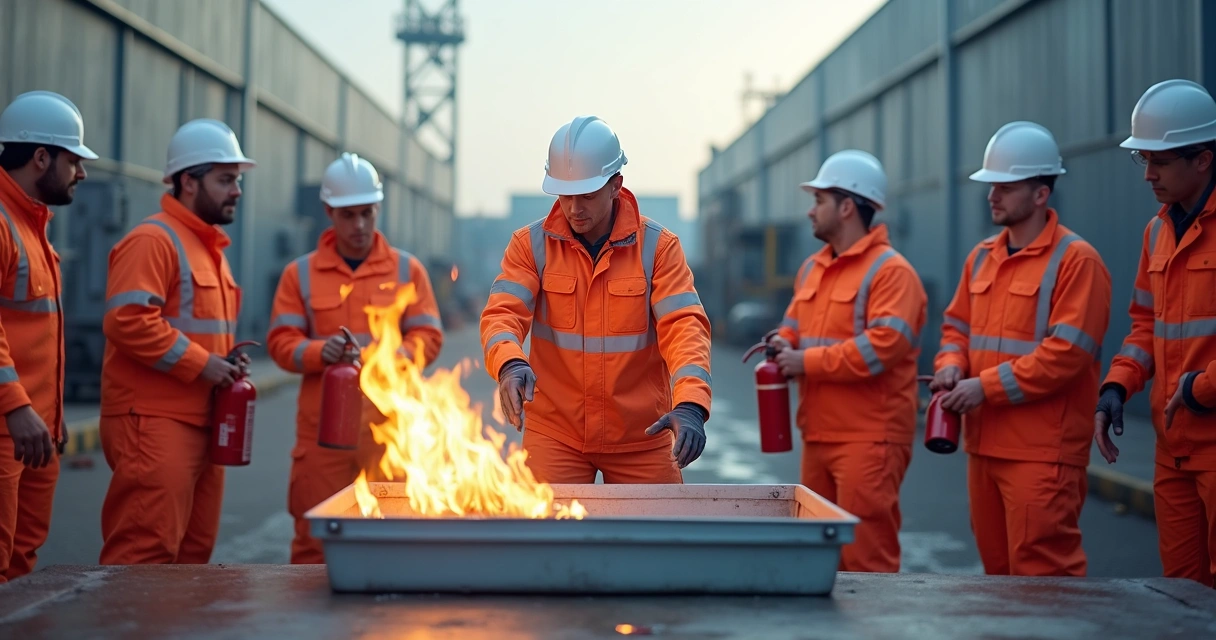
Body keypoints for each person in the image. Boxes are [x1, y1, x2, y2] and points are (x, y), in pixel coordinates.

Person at [480, 115, 712, 483]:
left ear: (616, 184)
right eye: (565, 195)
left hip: (643, 436)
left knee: (661, 521)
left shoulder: (657, 248)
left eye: (587, 195)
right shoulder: (531, 246)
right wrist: (509, 362)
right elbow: (501, 315)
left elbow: (685, 328)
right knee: (544, 522)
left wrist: (691, 404)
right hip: (555, 435)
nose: (574, 209)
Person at [933, 121, 1111, 576]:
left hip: (1041, 454)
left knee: (1043, 581)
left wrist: (983, 388)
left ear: (1040, 194)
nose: (992, 195)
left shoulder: (1077, 261)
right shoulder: (981, 257)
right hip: (984, 447)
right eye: (991, 185)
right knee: (998, 580)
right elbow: (955, 327)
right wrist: (951, 364)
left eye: (1005, 187)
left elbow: (1066, 355)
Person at [267, 152, 444, 564]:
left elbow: (429, 335)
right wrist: (318, 351)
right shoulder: (301, 274)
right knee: (314, 545)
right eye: (348, 215)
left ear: (378, 208)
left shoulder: (407, 270)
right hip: (323, 436)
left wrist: (396, 356)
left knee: (395, 541)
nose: (360, 225)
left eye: (367, 213)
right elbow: (280, 343)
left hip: (389, 433)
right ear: (329, 212)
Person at [98, 118, 255, 564]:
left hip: (202, 421)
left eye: (237, 180)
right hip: (154, 421)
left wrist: (225, 364)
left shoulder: (210, 251)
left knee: (192, 557)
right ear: (188, 181)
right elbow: (127, 320)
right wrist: (204, 364)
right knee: (144, 555)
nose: (236, 191)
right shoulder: (154, 240)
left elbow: (199, 331)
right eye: (225, 180)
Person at [769, 149, 926, 573]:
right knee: (815, 556)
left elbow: (884, 347)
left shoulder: (892, 273)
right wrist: (782, 342)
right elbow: (792, 326)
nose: (810, 210)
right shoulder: (813, 268)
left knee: (865, 559)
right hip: (819, 434)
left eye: (819, 200)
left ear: (847, 207)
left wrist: (805, 362)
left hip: (870, 438)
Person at [1096, 79, 1216, 587]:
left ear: (1203, 159)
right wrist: (1117, 386)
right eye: (1142, 160)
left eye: (1160, 162)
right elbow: (1146, 324)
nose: (1148, 174)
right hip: (1174, 452)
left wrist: (1198, 388)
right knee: (1181, 593)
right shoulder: (1156, 232)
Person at [0, 91, 97, 582]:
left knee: (20, 572)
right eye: (73, 161)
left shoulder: (32, 225)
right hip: (9, 429)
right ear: (41, 157)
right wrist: (16, 408)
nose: (82, 173)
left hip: (36, 437)